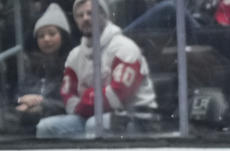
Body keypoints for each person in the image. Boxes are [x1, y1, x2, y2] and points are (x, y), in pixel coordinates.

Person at [35, 0, 158, 138]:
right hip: (90, 115)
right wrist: (89, 101)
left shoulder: (124, 47)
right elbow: (68, 95)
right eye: (80, 15)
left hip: (136, 117)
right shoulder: (75, 55)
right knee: (45, 127)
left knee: (94, 125)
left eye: (90, 13)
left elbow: (117, 96)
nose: (85, 18)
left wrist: (86, 99)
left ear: (104, 15)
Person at [14, 3, 73, 134]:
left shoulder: (72, 64)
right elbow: (18, 95)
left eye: (52, 34)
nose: (46, 39)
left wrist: (41, 104)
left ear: (63, 36)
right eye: (41, 36)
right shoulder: (31, 66)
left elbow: (69, 102)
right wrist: (21, 100)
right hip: (26, 116)